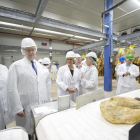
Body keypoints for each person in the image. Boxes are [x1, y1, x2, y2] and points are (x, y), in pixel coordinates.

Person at [7, 38, 51, 134]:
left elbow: (42, 85)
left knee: (38, 129)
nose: (31, 52)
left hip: (40, 105)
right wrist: (17, 107)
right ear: (23, 51)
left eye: (33, 49)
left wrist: (46, 101)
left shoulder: (39, 66)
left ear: (36, 50)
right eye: (28, 50)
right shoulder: (16, 66)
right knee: (25, 131)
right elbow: (11, 89)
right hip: (24, 107)